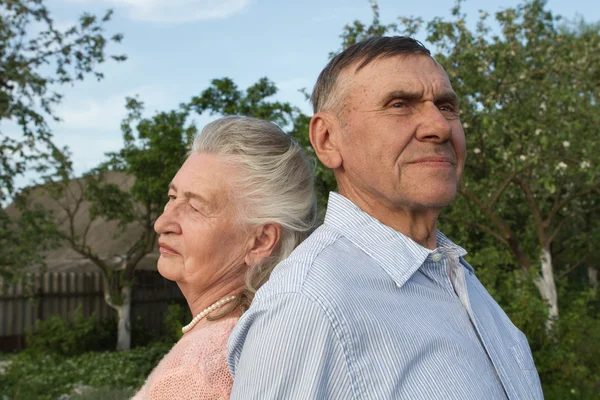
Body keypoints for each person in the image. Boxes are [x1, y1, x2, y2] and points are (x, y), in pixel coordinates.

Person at [228, 37, 544, 399]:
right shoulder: (307, 304)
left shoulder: (455, 275)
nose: (439, 126)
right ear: (328, 139)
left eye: (446, 106)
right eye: (399, 105)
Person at [133, 116, 317, 399]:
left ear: (260, 241)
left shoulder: (197, 374)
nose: (162, 223)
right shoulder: (269, 334)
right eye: (172, 197)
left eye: (196, 207)